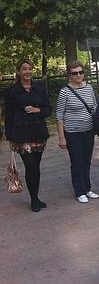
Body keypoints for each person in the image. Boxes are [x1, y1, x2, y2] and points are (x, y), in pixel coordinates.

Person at [4, 59, 51, 212]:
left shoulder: (40, 88)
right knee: (30, 166)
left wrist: (38, 110)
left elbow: (48, 109)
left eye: (30, 69)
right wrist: (9, 136)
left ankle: (35, 197)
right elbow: (8, 114)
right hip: (21, 134)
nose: (27, 72)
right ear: (19, 71)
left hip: (38, 132)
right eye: (24, 69)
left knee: (36, 167)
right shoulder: (12, 91)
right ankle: (34, 200)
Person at [56, 60, 99, 203]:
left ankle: (87, 188)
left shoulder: (89, 88)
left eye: (81, 72)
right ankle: (79, 191)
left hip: (88, 131)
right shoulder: (65, 92)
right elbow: (59, 115)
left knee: (86, 161)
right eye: (75, 73)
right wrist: (62, 137)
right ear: (69, 75)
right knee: (77, 162)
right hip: (72, 132)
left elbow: (94, 107)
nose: (78, 75)